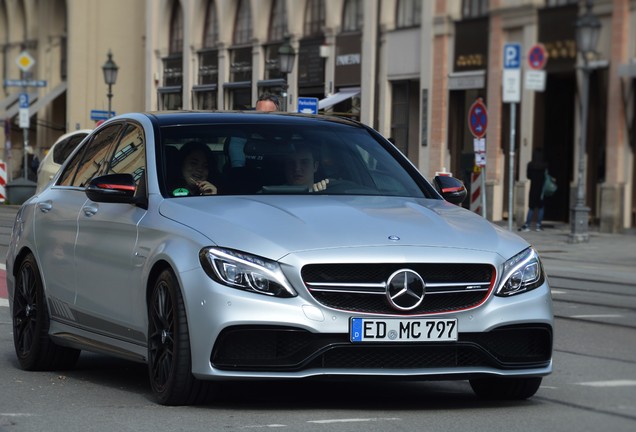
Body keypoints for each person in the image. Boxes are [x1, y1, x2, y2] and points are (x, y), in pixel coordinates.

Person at [519, 148, 548, 232]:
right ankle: (538, 225)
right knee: (541, 207)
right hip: (541, 190)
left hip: (533, 189)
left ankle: (527, 224)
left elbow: (528, 176)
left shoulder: (530, 165)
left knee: (531, 207)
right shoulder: (545, 165)